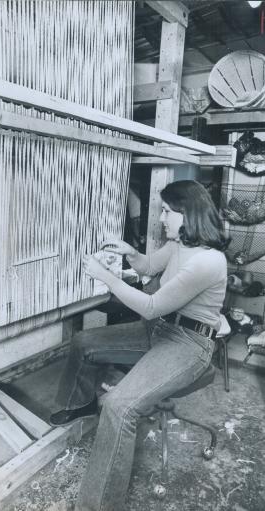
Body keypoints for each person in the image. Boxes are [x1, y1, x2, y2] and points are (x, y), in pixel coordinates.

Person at [50, 180, 229, 511]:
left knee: (120, 406)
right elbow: (148, 267)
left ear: (187, 213)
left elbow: (150, 306)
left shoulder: (208, 261)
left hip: (189, 344)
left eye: (166, 211)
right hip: (160, 329)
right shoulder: (179, 244)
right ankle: (79, 403)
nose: (161, 218)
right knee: (84, 341)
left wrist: (106, 278)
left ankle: (97, 506)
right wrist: (130, 253)